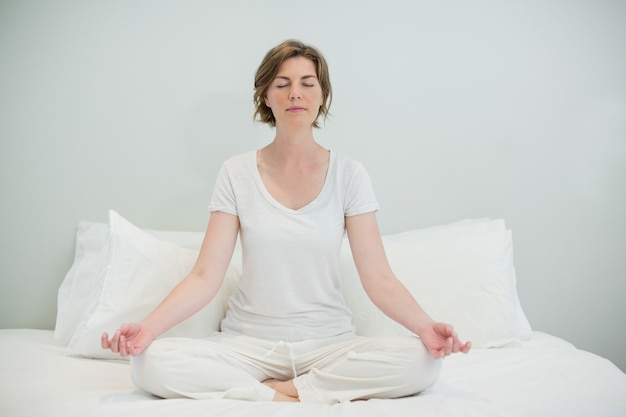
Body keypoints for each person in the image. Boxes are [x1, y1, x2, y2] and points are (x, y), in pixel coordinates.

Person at [101, 39, 471, 404]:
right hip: (247, 344)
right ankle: (294, 393)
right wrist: (147, 329)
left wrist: (425, 327)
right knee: (149, 365)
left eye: (308, 83)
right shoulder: (236, 172)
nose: (296, 93)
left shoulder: (350, 175)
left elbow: (379, 278)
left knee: (421, 363)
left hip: (329, 345)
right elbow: (205, 276)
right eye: (283, 84)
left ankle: (281, 393)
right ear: (266, 96)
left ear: (322, 95)